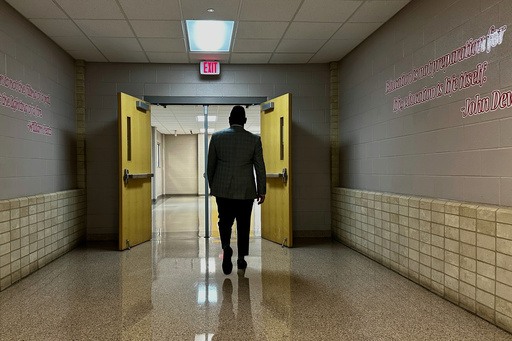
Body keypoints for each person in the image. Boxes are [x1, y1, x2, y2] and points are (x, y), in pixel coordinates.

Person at [207, 105, 266, 275]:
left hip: (223, 190)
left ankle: (226, 247)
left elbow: (210, 166)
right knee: (244, 223)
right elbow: (260, 167)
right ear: (245, 121)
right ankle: (241, 258)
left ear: (229, 120)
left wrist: (214, 186)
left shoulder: (217, 137)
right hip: (246, 191)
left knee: (224, 221)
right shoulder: (254, 140)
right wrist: (261, 190)